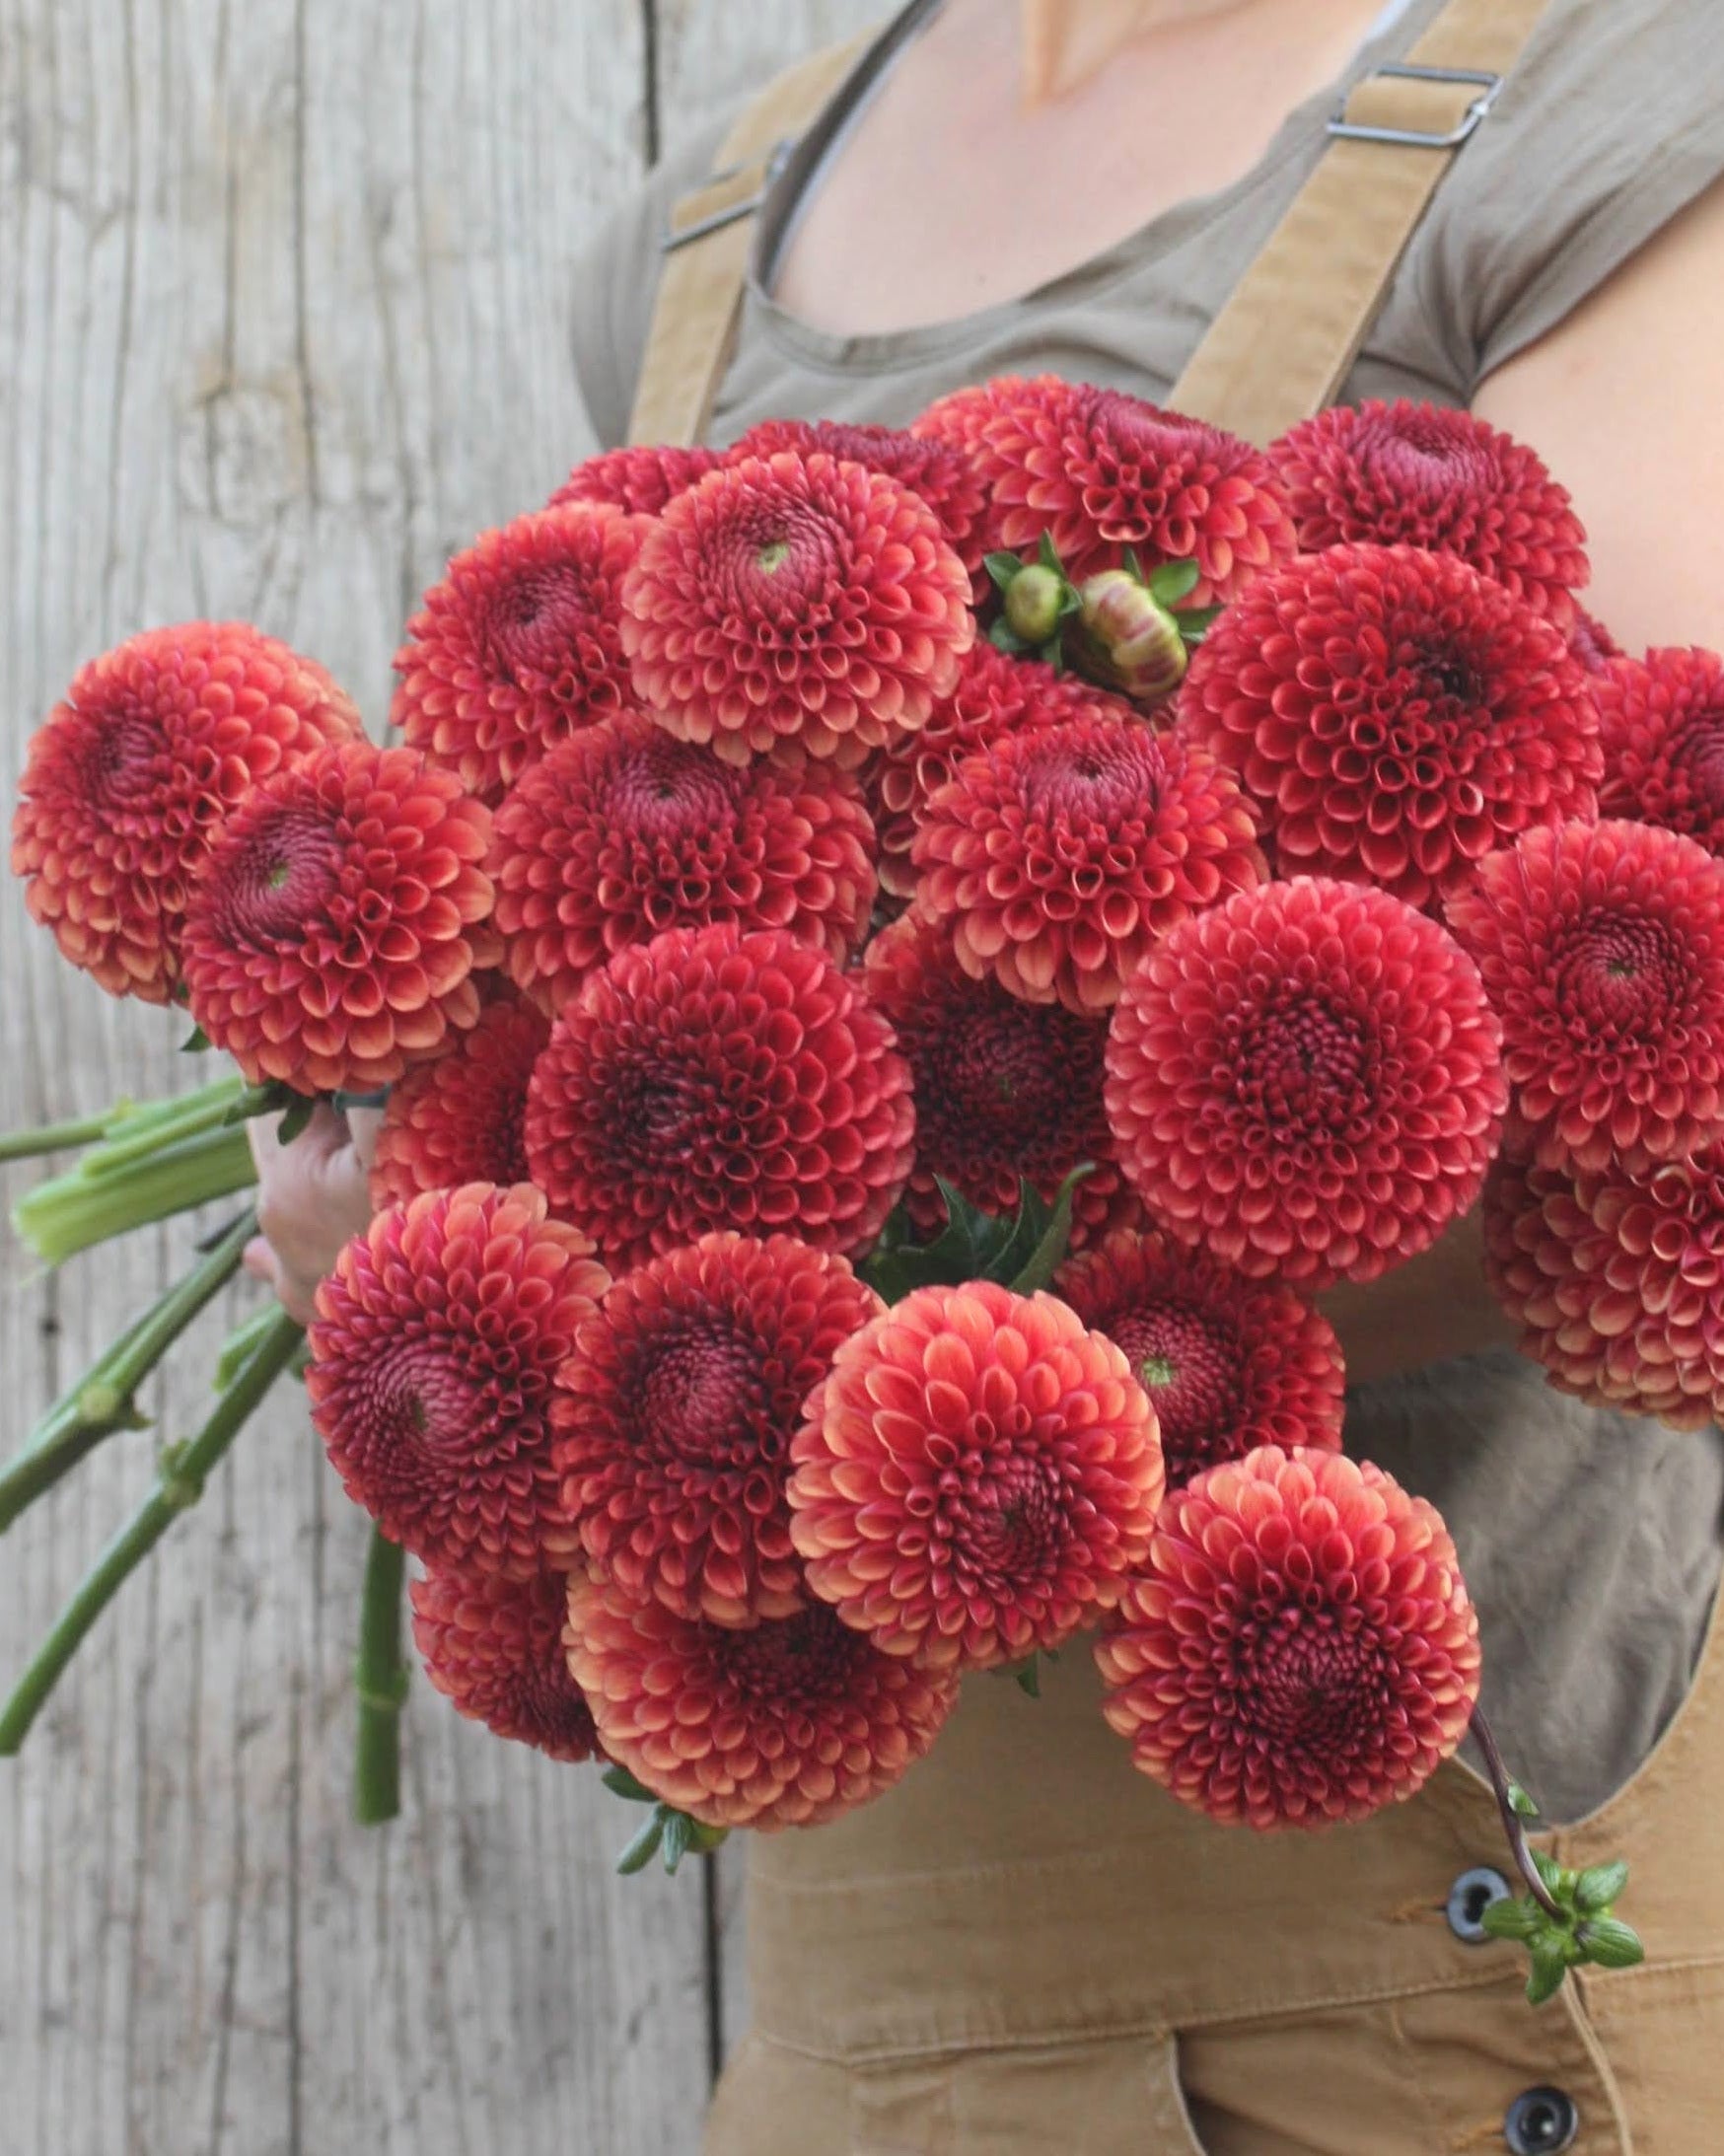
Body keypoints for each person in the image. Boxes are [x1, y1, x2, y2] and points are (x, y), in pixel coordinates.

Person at [250, 1, 1724, 2146]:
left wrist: (715, 1351)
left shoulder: (1611, 103)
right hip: (870, 2028)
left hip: (1401, 1985)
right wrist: (435, 1254)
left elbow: (1634, 1073)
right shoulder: (700, 229)